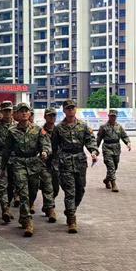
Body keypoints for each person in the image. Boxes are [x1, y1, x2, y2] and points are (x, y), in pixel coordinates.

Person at [2, 102, 51, 237]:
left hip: (34, 163)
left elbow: (45, 144)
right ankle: (28, 222)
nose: (24, 113)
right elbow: (6, 151)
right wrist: (3, 168)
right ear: (16, 114)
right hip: (19, 163)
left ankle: (24, 215)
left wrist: (45, 152)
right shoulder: (11, 131)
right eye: (21, 111)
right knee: (23, 193)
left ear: (30, 114)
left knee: (33, 191)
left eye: (26, 111)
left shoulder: (37, 129)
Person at [52, 99, 99, 234]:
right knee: (70, 191)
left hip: (80, 162)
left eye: (72, 108)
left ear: (76, 109)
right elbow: (54, 147)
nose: (70, 110)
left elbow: (90, 141)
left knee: (80, 190)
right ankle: (72, 219)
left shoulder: (83, 126)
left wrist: (94, 152)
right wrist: (53, 163)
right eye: (68, 108)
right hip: (65, 162)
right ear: (64, 111)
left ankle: (70, 209)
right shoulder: (58, 128)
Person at [96, 109, 132, 192]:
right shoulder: (103, 127)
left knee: (115, 167)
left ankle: (106, 180)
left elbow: (124, 136)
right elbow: (98, 139)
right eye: (111, 116)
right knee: (110, 166)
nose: (113, 117)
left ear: (116, 117)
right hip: (107, 147)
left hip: (116, 148)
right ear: (108, 116)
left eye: (114, 116)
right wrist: (95, 150)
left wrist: (128, 143)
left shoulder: (119, 127)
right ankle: (114, 184)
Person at [39, 107, 58, 222]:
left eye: (54, 115)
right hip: (44, 162)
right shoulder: (40, 131)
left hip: (56, 163)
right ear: (45, 116)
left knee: (55, 188)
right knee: (47, 186)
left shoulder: (59, 130)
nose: (52, 118)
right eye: (49, 115)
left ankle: (47, 204)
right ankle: (51, 209)